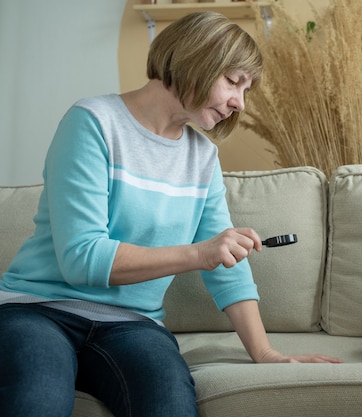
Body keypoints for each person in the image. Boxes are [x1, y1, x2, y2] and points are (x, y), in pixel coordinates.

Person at [0, 11, 341, 417]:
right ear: (195, 58)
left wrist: (266, 353)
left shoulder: (202, 157)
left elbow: (226, 266)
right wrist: (199, 253)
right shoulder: (93, 123)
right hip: (38, 310)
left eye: (246, 90)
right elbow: (83, 259)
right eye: (233, 82)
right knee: (35, 398)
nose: (239, 102)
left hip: (132, 325)